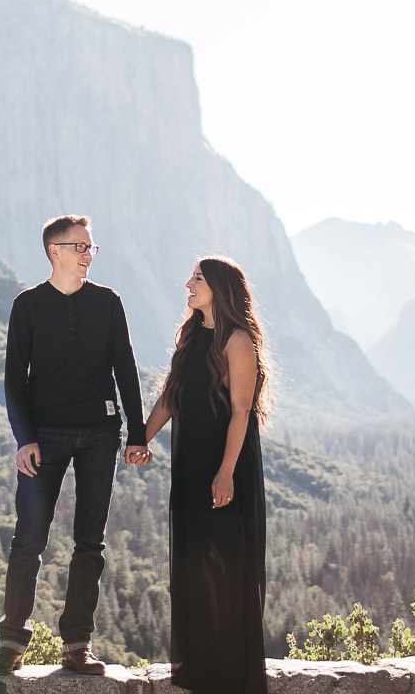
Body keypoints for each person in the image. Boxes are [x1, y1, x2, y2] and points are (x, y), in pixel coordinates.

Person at [0, 214, 150, 677]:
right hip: (45, 438)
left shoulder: (108, 302)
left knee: (90, 544)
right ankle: (11, 645)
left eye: (91, 248)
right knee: (28, 543)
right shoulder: (28, 305)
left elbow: (126, 368)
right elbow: (14, 379)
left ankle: (76, 645)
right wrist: (25, 439)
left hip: (101, 435)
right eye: (79, 247)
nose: (87, 255)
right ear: (54, 250)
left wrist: (136, 433)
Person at [136, 255, 271, 694]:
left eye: (197, 278)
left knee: (227, 566)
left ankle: (232, 676)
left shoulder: (237, 340)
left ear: (219, 286)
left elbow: (240, 410)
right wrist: (141, 438)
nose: (189, 284)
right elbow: (171, 396)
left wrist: (226, 472)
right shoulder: (191, 337)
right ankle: (203, 669)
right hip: (190, 466)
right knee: (196, 563)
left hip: (225, 466)